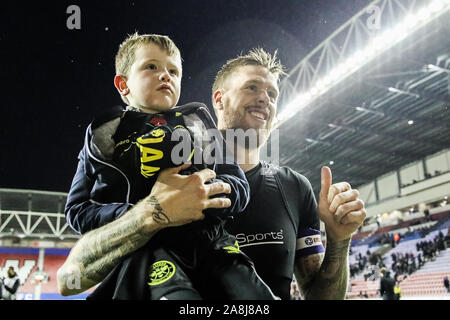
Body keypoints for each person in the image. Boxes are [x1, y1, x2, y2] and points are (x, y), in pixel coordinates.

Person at [58, 48, 366, 300]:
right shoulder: (163, 176)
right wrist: (152, 213)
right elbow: (68, 280)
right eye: (252, 87)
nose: (265, 99)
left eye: (273, 94)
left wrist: (339, 240)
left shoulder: (295, 187)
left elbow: (319, 296)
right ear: (218, 100)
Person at [58, 33, 277, 300]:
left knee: (255, 297)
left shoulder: (199, 124)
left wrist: (205, 197)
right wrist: (139, 211)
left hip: (213, 244)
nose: (166, 75)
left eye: (173, 70)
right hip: (149, 250)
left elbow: (238, 183)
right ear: (123, 84)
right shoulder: (103, 135)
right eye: (152, 67)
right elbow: (77, 210)